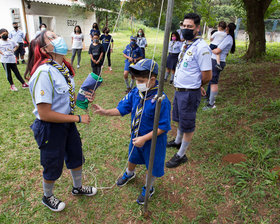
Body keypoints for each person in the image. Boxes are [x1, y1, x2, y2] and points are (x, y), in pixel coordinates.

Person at [25, 30, 97, 212]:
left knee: (76, 155)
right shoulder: (43, 73)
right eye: (52, 37)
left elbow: (65, 97)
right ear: (44, 48)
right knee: (52, 164)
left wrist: (83, 96)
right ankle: (47, 197)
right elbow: (45, 114)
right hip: (50, 128)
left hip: (67, 123)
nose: (58, 38)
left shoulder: (62, 68)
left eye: (56, 34)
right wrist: (78, 118)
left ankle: (77, 187)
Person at [92, 59, 171, 205]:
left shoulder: (161, 100)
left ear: (152, 79)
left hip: (153, 141)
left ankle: (149, 187)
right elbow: (122, 108)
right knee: (132, 156)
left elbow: (163, 127)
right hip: (136, 137)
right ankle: (129, 173)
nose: (137, 83)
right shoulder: (136, 92)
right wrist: (105, 112)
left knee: (152, 164)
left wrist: (144, 139)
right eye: (136, 80)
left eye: (141, 80)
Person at [165, 13, 212, 168]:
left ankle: (181, 154)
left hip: (189, 93)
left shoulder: (202, 48)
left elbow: (207, 75)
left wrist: (198, 86)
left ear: (197, 28)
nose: (185, 29)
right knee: (179, 118)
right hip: (179, 90)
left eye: (189, 26)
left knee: (188, 123)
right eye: (184, 26)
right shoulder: (186, 44)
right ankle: (178, 141)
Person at [203, 23, 236, 110]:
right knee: (212, 80)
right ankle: (208, 99)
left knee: (214, 82)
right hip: (215, 60)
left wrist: (209, 48)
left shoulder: (228, 38)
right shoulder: (227, 37)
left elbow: (217, 51)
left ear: (228, 28)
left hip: (217, 62)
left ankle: (211, 104)